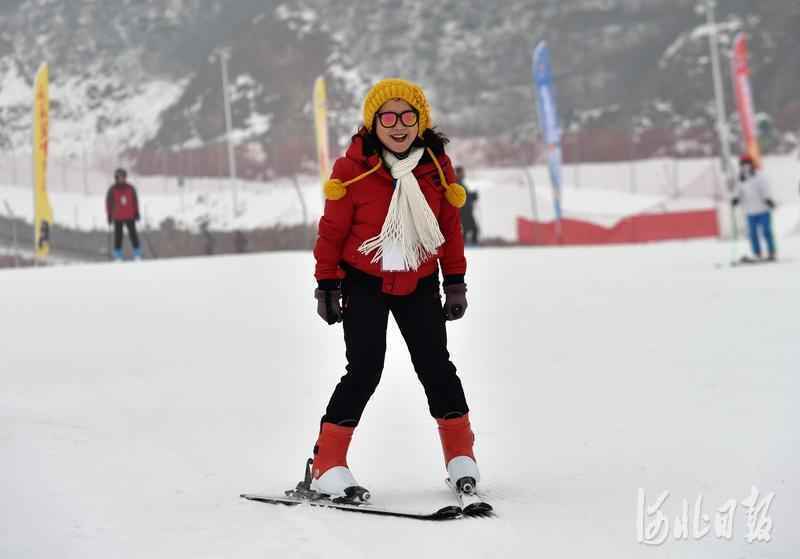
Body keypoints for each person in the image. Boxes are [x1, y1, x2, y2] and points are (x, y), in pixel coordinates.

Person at [310, 78, 479, 500]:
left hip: (419, 279)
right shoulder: (351, 169)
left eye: (408, 116)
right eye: (388, 116)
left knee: (436, 366)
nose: (398, 125)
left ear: (420, 121)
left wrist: (455, 281)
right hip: (364, 281)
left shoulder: (436, 166)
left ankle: (460, 456)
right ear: (374, 123)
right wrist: (326, 284)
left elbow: (449, 228)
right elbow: (332, 231)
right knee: (365, 369)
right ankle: (327, 463)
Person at [732, 155, 777, 261]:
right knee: (752, 234)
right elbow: (738, 192)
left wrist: (768, 199)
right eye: (743, 164)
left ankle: (771, 252)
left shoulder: (760, 176)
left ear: (752, 164)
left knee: (766, 231)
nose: (745, 167)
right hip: (750, 211)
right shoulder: (740, 179)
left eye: (747, 164)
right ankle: (757, 253)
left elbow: (765, 188)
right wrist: (736, 199)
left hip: (763, 210)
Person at [105, 168, 142, 261]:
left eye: (123, 177)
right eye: (119, 177)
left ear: (125, 177)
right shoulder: (112, 189)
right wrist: (109, 215)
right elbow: (108, 203)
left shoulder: (130, 188)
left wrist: (137, 212)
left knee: (133, 235)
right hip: (117, 217)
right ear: (116, 178)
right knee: (118, 236)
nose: (121, 179)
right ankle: (118, 256)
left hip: (130, 215)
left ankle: (137, 254)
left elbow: (135, 201)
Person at [456, 166, 480, 245]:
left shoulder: (459, 183)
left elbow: (465, 195)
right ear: (458, 173)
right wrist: (473, 196)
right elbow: (464, 196)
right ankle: (473, 245)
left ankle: (464, 245)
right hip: (464, 211)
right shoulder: (458, 183)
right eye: (462, 172)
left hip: (464, 211)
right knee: (474, 229)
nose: (464, 174)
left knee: (466, 230)